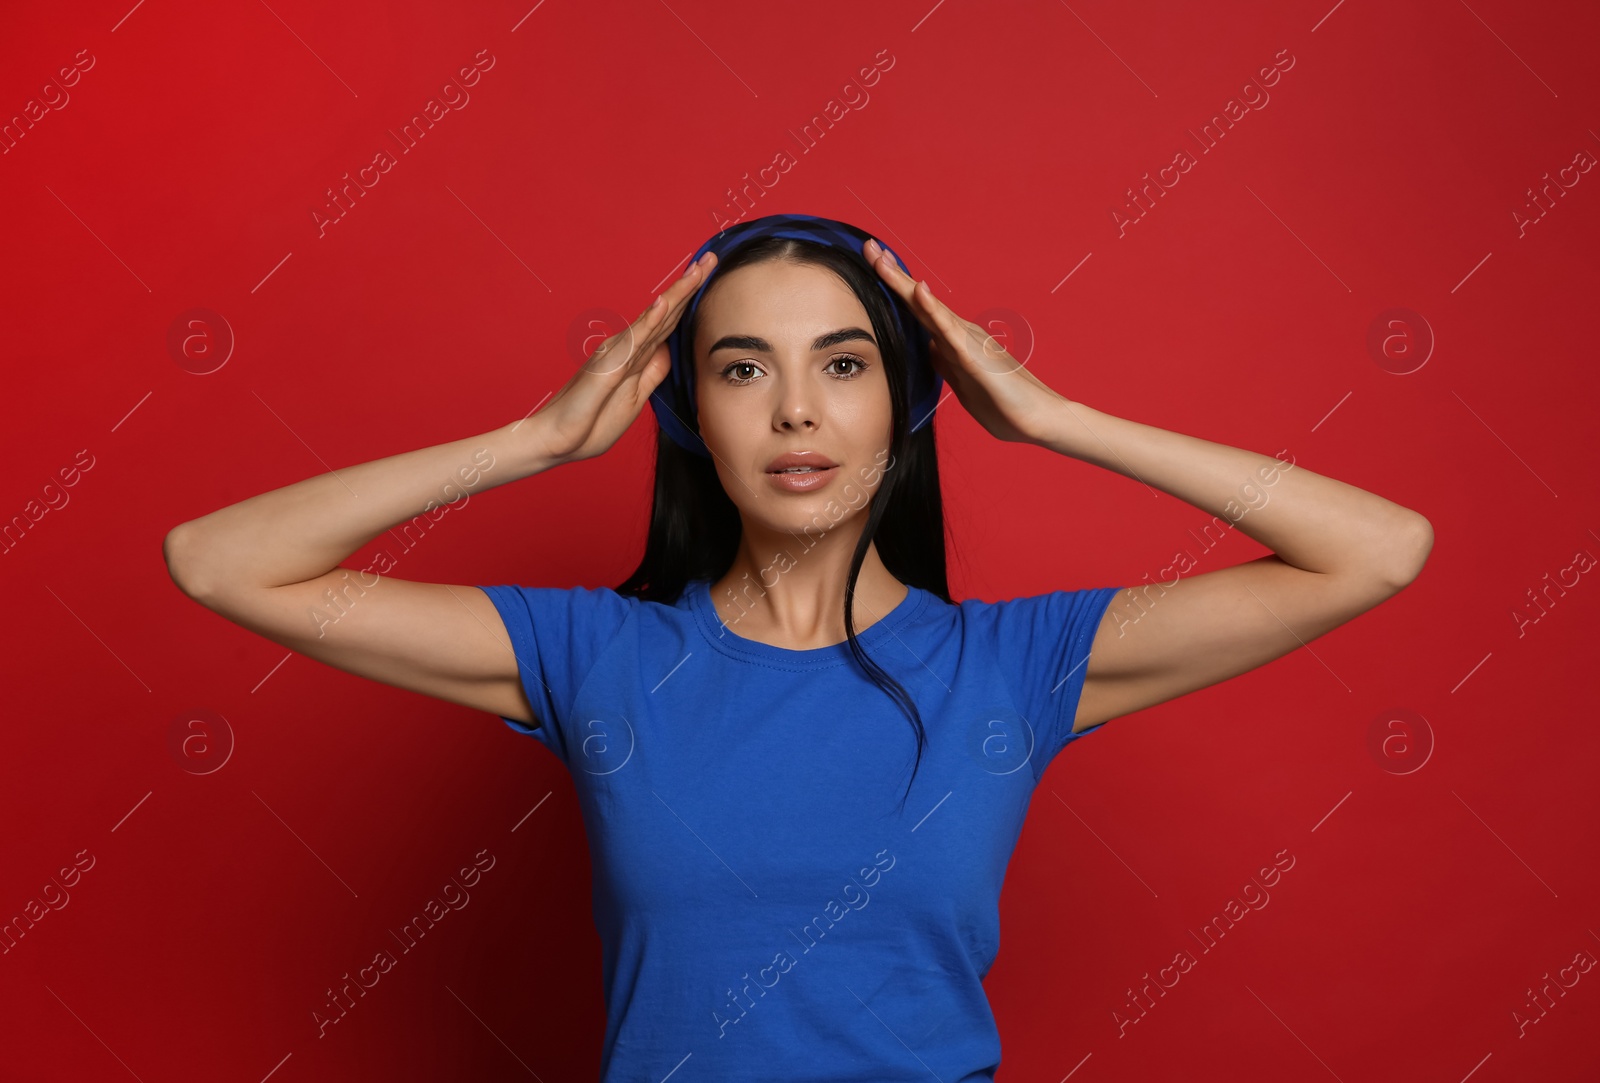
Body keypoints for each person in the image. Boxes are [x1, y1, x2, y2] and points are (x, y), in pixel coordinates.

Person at [163, 213, 1432, 1081]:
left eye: (843, 362)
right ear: (687, 413)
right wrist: (535, 442)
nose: (796, 411)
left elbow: (1375, 548)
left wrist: (1054, 419)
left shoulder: (1014, 667)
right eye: (740, 368)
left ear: (908, 395)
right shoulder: (592, 657)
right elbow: (219, 562)